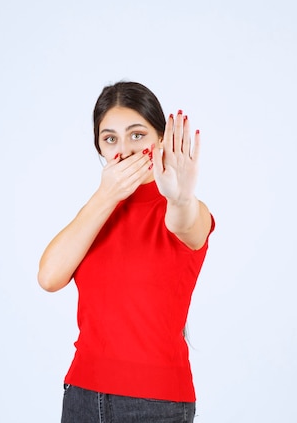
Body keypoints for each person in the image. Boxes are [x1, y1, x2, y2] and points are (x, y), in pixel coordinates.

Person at [38, 81, 215, 423]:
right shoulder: (96, 213)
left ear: (162, 139)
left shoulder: (181, 209)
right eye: (110, 138)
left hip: (154, 404)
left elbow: (188, 223)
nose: (124, 150)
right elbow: (49, 277)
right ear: (99, 147)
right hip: (81, 396)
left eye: (137, 135)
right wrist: (106, 196)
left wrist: (180, 197)